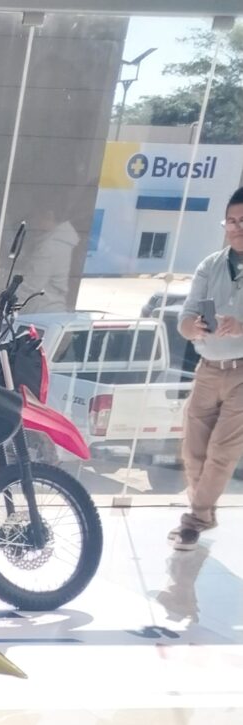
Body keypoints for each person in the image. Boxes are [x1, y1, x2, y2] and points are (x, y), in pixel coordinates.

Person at [173, 188, 243, 548]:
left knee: (221, 451)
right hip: (208, 368)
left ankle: (195, 520)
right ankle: (204, 512)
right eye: (231, 221)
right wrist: (193, 327)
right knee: (193, 450)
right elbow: (185, 318)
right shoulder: (211, 265)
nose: (236, 228)